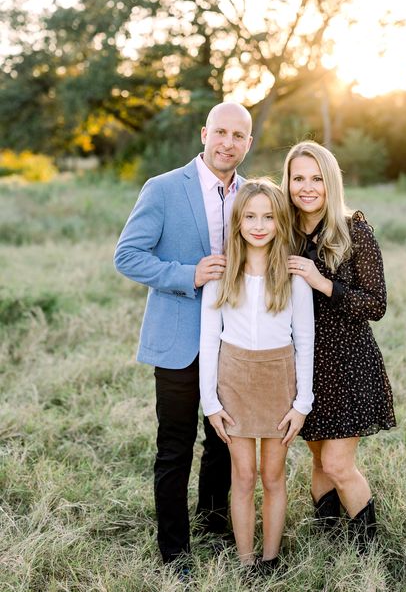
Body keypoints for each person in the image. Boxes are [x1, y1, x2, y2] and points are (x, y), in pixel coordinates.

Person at [114, 102, 253, 567]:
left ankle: (214, 522)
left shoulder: (255, 195)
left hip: (236, 339)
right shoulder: (164, 188)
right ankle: (174, 551)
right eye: (221, 133)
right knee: (175, 446)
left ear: (248, 144)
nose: (228, 143)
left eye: (238, 136)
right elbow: (128, 256)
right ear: (204, 133)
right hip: (179, 337)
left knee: (224, 441)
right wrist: (187, 273)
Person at [282, 141, 396, 552]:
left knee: (337, 463)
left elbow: (376, 303)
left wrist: (322, 282)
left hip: (348, 362)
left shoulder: (354, 230)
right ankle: (331, 542)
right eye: (298, 178)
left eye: (316, 178)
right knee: (317, 460)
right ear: (288, 182)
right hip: (305, 365)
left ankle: (369, 550)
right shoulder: (285, 231)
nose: (307, 187)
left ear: (330, 183)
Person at [199, 179, 315, 572]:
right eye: (250, 216)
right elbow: (209, 340)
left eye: (268, 217)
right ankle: (246, 560)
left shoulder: (293, 276)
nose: (259, 225)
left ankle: (270, 558)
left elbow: (305, 340)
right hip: (233, 382)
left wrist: (302, 404)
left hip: (278, 382)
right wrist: (210, 403)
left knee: (273, 474)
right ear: (238, 222)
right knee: (244, 475)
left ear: (281, 222)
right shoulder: (222, 273)